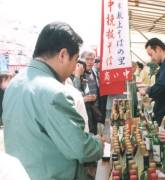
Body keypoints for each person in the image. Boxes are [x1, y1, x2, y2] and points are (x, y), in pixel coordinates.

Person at [2, 22, 104, 180]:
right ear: (63, 55)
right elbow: (80, 148)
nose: (73, 69)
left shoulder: (15, 83)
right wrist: (100, 144)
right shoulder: (55, 92)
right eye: (75, 60)